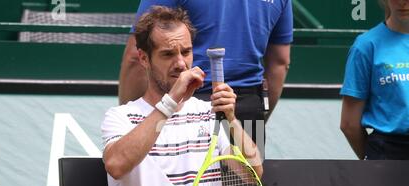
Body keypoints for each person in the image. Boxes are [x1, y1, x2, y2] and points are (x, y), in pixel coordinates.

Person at [102, 6, 342, 186]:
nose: (180, 63)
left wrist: (231, 119)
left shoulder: (207, 113)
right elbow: (117, 164)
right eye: (168, 54)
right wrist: (169, 104)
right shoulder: (121, 117)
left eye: (186, 52)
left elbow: (252, 173)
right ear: (143, 58)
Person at [118, 0, 293, 146]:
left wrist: (128, 124)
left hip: (186, 101)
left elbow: (135, 56)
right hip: (249, 106)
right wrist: (257, 115)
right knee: (247, 181)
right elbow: (280, 62)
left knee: (175, 185)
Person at [340, 0, 409, 160]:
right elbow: (349, 124)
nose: (402, 2)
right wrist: (374, 159)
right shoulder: (365, 46)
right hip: (386, 153)